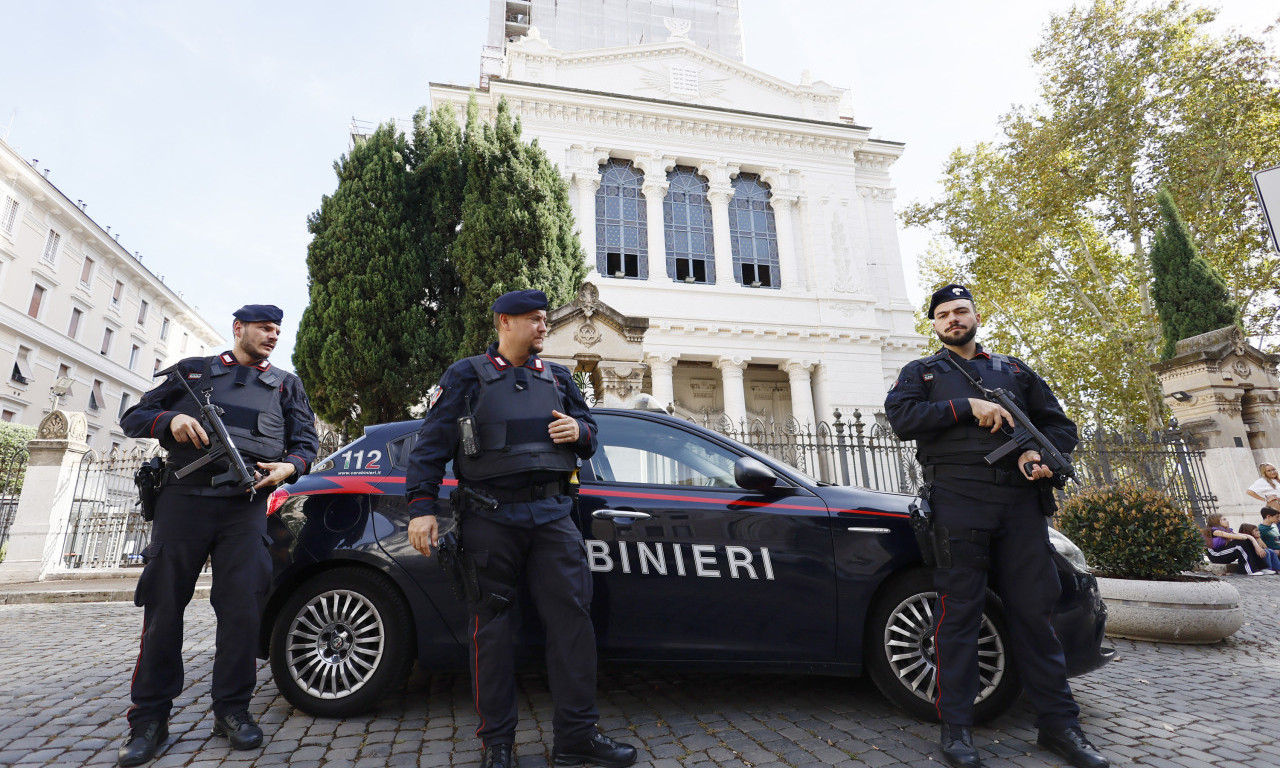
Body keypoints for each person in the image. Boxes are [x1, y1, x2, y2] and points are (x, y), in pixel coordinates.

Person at [404, 289, 636, 768]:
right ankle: (498, 745)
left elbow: (590, 433)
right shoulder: (466, 376)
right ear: (504, 323)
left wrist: (580, 432)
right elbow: (429, 447)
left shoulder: (559, 377)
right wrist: (421, 507)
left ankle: (576, 738)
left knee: (573, 624)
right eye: (534, 319)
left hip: (553, 519)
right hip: (490, 520)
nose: (544, 326)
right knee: (491, 632)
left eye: (545, 319)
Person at [884, 284, 1108, 768]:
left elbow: (1060, 427)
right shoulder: (921, 372)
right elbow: (901, 419)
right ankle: (957, 731)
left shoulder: (1015, 370)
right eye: (943, 314)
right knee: (959, 615)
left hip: (1020, 504)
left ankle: (1059, 726)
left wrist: (1035, 452)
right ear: (935, 324)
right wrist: (967, 407)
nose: (952, 320)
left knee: (1035, 614)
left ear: (975, 315)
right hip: (958, 503)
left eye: (960, 311)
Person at [116, 305, 318, 767]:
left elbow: (306, 445)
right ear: (238, 329)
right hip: (182, 501)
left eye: (277, 330)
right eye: (264, 328)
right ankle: (149, 718)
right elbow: (133, 416)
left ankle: (232, 711)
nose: (272, 335)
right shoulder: (191, 372)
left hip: (244, 508)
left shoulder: (287, 385)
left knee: (242, 611)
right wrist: (167, 422)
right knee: (163, 609)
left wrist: (291, 466)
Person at [1205, 513, 1273, 575]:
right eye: (1224, 520)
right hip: (1216, 555)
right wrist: (1243, 537)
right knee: (1240, 545)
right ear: (1216, 521)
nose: (1227, 521)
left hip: (1224, 552)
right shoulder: (1213, 530)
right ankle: (1248, 570)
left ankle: (1262, 567)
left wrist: (1256, 546)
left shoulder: (1228, 531)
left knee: (1247, 542)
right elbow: (1226, 535)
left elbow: (1248, 536)